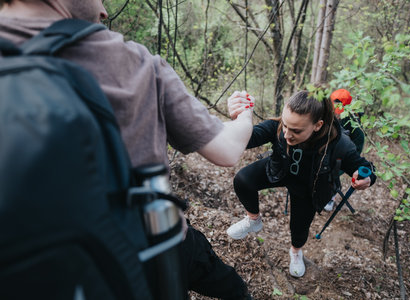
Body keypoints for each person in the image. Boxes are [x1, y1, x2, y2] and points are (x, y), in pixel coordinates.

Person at [0, 1, 255, 299]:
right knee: (233, 288)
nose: (105, 10)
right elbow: (226, 150)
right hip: (154, 251)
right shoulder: (137, 63)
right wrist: (245, 115)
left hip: (43, 277)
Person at [226, 90, 376, 278]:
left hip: (309, 187)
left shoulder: (339, 143)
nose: (287, 134)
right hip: (280, 169)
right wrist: (239, 122)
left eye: (296, 130)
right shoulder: (281, 127)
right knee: (243, 180)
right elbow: (247, 138)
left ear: (317, 125)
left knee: (299, 228)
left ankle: (296, 252)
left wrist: (366, 178)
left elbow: (365, 167)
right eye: (285, 125)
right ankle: (253, 220)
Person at [323, 88, 365, 211]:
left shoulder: (355, 126)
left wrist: (344, 164)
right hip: (326, 151)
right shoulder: (326, 114)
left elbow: (357, 148)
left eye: (339, 110)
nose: (336, 113)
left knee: (333, 175)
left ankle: (331, 198)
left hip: (342, 157)